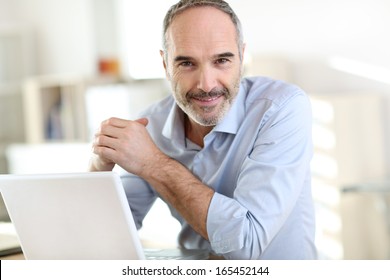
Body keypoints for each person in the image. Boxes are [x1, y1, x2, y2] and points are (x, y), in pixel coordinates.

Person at [89, 0, 316, 260]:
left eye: (221, 60)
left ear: (241, 58)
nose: (206, 85)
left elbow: (245, 246)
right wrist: (97, 169)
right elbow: (103, 238)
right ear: (165, 65)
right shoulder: (150, 124)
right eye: (187, 63)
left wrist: (154, 163)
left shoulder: (281, 109)